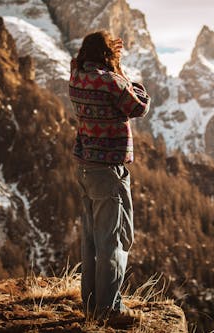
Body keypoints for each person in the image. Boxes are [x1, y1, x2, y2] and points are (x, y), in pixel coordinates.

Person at [68, 30, 150, 324]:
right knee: (114, 240)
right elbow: (139, 106)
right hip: (108, 170)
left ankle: (91, 304)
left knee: (92, 240)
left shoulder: (76, 78)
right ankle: (110, 309)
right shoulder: (112, 82)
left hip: (86, 167)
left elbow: (84, 70)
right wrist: (123, 74)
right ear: (108, 55)